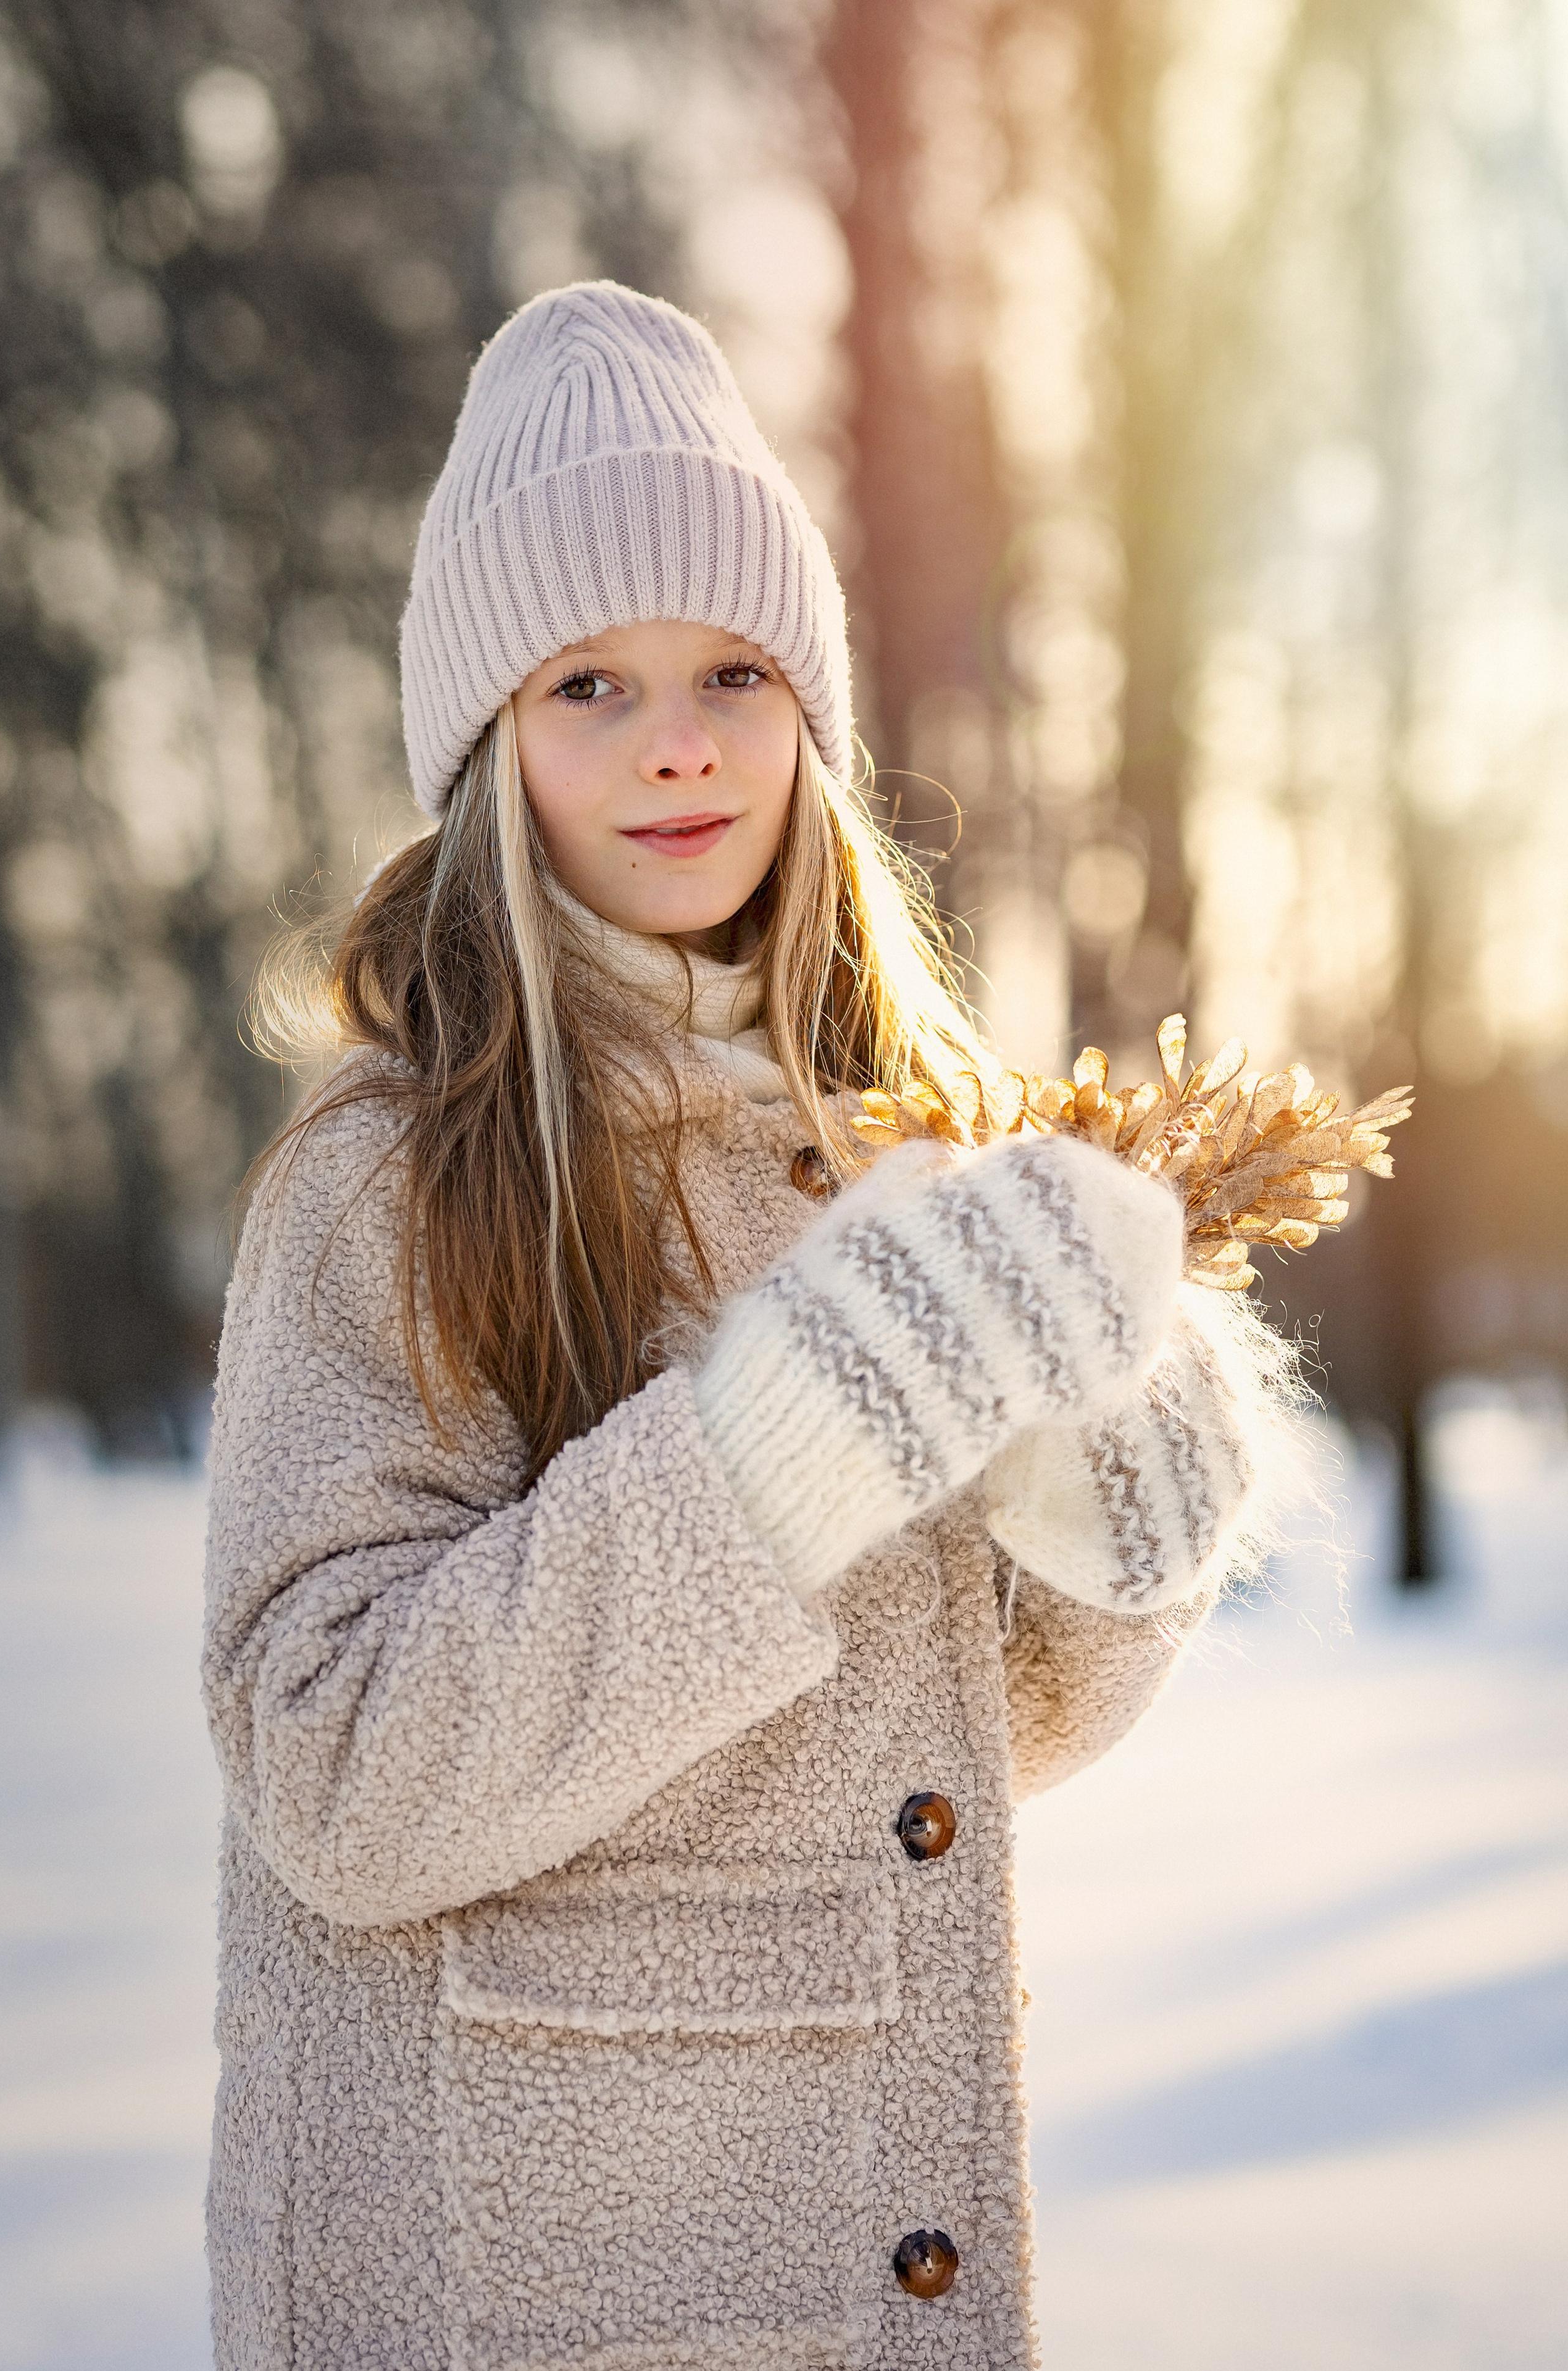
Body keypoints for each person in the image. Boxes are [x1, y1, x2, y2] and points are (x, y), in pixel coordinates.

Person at [204, 280, 1280, 2370]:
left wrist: (1109, 1456)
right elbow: (332, 1765)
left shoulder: (887, 1133)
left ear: (817, 712)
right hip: (515, 2281)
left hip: (857, 2241)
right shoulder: (386, 1174)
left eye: (732, 670)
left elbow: (971, 1730)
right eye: (588, 681)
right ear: (484, 745)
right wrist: (795, 1429)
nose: (677, 739)